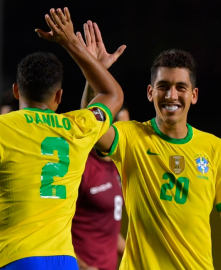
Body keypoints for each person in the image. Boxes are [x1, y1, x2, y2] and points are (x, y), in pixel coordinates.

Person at [0, 8, 124, 270]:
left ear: (16, 91)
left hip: (14, 259)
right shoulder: (77, 127)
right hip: (64, 262)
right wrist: (74, 46)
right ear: (59, 96)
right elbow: (112, 93)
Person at [83, 22, 221, 269]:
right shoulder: (131, 137)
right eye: (163, 87)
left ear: (193, 95)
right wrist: (94, 71)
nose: (172, 95)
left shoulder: (216, 149)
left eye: (181, 87)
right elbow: (91, 127)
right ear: (150, 93)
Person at [72, 22, 127, 270]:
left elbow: (107, 231)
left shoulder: (118, 168)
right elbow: (55, 226)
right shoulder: (83, 165)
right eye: (119, 125)